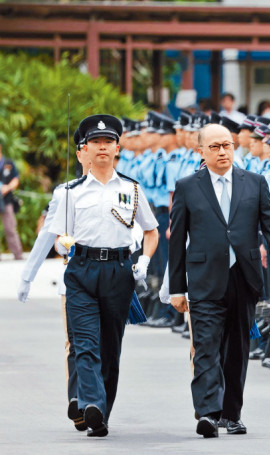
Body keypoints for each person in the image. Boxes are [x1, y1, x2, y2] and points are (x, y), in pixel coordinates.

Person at [168, 123, 270, 438]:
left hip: (243, 278)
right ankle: (208, 412)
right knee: (205, 346)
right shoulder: (187, 187)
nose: (222, 152)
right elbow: (177, 239)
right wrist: (176, 288)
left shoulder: (255, 183)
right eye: (214, 147)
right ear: (202, 152)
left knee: (237, 350)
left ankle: (231, 414)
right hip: (204, 279)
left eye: (227, 145)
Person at [49, 114, 159, 437]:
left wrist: (146, 261)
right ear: (84, 148)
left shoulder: (132, 189)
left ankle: (101, 412)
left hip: (118, 271)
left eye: (108, 141)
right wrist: (62, 244)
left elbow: (151, 232)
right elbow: (58, 237)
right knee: (84, 342)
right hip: (81, 269)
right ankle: (91, 402)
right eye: (95, 142)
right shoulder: (70, 192)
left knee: (111, 347)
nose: (102, 147)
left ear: (117, 148)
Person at [18, 129, 90, 431]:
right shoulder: (65, 192)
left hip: (113, 278)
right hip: (74, 279)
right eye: (91, 146)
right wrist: (27, 276)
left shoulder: (125, 189)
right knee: (75, 343)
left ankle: (97, 400)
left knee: (105, 346)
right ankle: (79, 400)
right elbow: (49, 237)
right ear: (80, 155)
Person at [0, 139, 22, 259]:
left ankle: (18, 255)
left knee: (10, 228)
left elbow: (16, 179)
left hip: (6, 200)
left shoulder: (8, 163)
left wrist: (7, 187)